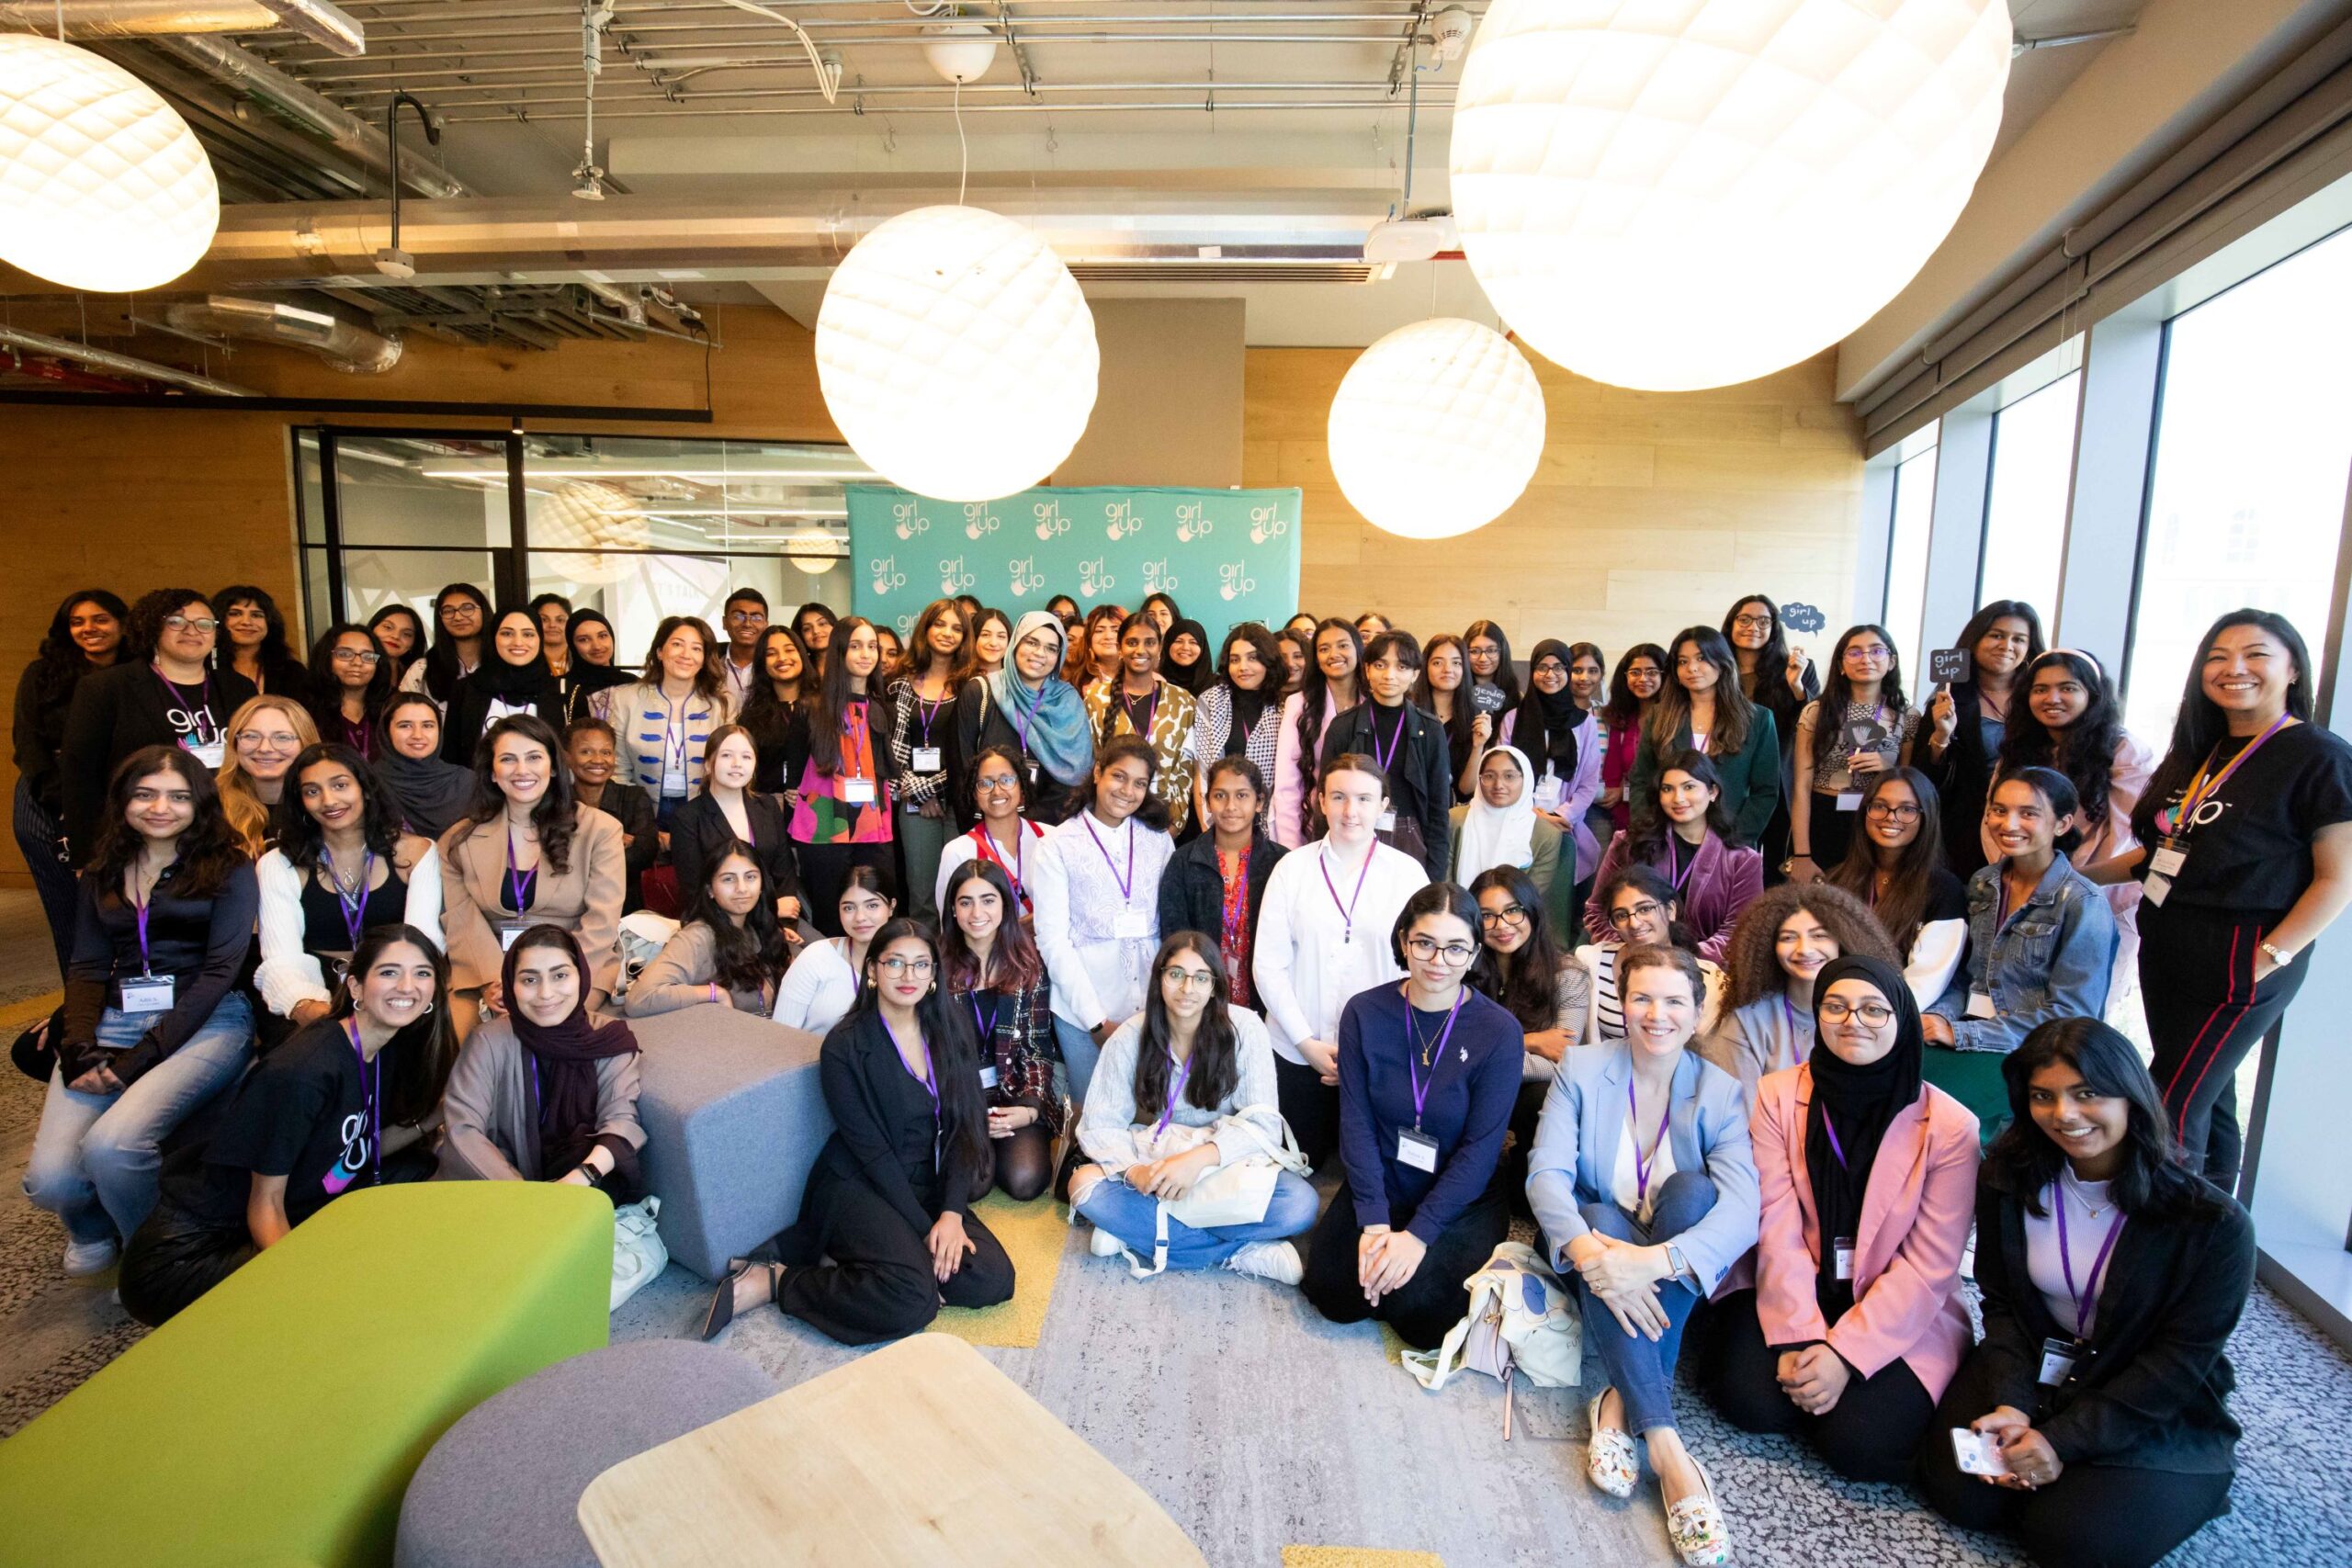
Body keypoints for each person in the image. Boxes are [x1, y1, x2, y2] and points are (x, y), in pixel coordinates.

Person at [1917, 1020, 2256, 1568]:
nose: (2064, 1115)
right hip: (2037, 1362)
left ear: (2131, 1095)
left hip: (2145, 1391)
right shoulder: (2009, 1177)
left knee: (2072, 1542)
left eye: (2087, 1093)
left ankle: (2198, 1486)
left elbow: (2177, 1362)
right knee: (1961, 1496)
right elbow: (2002, 1306)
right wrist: (2013, 1402)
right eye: (2043, 1097)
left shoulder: (2212, 1223)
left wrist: (2062, 1442)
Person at [2092, 609, 2352, 1186]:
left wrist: (2273, 956)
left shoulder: (2318, 755)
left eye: (2256, 654)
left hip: (2247, 949)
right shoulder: (2201, 751)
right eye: (2217, 656)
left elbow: (2338, 877)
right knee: (2211, 1099)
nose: (2234, 667)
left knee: (2169, 1102)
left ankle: (2159, 1246)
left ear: (2292, 671)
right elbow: (2163, 850)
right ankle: (2219, 1242)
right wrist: (2077, 879)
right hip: (2169, 941)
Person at [1700, 954, 1980, 1485]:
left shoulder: (1950, 1128)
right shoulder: (1779, 1094)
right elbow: (1775, 1223)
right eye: (1837, 1006)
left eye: (1874, 1010)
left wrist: (1844, 1355)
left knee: (1861, 1448)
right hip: (1797, 1282)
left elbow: (1930, 1266)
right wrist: (1795, 1335)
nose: (1853, 1021)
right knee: (1748, 1403)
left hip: (1895, 1302)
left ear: (1901, 1020)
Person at [1526, 942, 1757, 1568]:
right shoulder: (1583, 1066)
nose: (1658, 1013)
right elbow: (1546, 1174)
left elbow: (1743, 1209)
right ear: (1622, 1004)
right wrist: (1591, 1254)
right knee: (1596, 1215)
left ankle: (1622, 1407)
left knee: (1695, 1192)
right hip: (1600, 1244)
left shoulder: (1720, 1091)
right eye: (1642, 997)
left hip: (1667, 1258)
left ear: (1699, 1010)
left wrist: (1649, 1266)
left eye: (1675, 999)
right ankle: (1669, 1445)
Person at [118, 926, 452, 1325]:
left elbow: (352, 1152)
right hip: (191, 1253)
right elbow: (265, 1205)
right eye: (389, 972)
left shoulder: (384, 1047)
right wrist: (301, 1296)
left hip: (287, 1201)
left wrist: (438, 1114)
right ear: (357, 987)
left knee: (419, 1172)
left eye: (422, 973)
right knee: (344, 1275)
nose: (407, 986)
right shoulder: (304, 1071)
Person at [704, 918, 1013, 1344]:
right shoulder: (845, 1046)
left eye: (922, 965)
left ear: (935, 974)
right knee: (913, 1300)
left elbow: (964, 1127)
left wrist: (951, 1214)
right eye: (896, 964)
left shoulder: (950, 1026)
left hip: (927, 1181)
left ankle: (873, 1263)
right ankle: (781, 1281)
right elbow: (872, 1154)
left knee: (992, 1279)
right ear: (872, 970)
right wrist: (926, 1232)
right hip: (861, 1183)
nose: (910, 977)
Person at [28, 748, 259, 1274]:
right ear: (123, 800)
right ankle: (94, 1226)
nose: (161, 807)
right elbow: (87, 965)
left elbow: (221, 972)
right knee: (51, 1180)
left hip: (208, 1018)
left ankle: (153, 1258)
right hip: (114, 1017)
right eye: (145, 794)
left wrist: (138, 1059)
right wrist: (79, 1045)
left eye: (178, 797)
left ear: (199, 804)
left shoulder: (230, 867)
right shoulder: (102, 870)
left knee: (114, 1146)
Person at [1300, 883, 1521, 1348]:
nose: (1439, 961)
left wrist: (1417, 1237)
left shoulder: (1499, 1032)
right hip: (1385, 1176)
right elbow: (1356, 1122)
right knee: (1333, 1294)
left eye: (1456, 948)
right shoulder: (1365, 1012)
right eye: (1425, 943)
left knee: (1422, 1318)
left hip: (1462, 1194)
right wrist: (1377, 1224)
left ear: (1475, 952)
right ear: (1403, 941)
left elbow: (1481, 1151)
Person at [1073, 933, 1317, 1278]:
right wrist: (1135, 1172)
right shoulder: (1129, 1036)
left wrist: (1198, 1160)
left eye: (1201, 977)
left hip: (1224, 1165)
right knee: (1083, 1186)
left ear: (1216, 986)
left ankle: (1140, 1233)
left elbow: (1265, 1125)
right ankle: (1242, 1251)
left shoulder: (1246, 1029)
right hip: (1156, 1163)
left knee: (1300, 1206)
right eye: (1176, 974)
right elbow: (1100, 1125)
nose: (1188, 988)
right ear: (1159, 978)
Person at [1251, 754, 1429, 1168]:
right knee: (1294, 1165)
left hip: (1379, 1055)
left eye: (1365, 798)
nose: (1351, 811)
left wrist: (1369, 1051)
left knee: (1369, 1171)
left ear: (1384, 805)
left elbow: (1420, 972)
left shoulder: (1408, 875)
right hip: (1297, 1050)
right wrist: (1306, 1043)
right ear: (1321, 801)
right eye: (1339, 797)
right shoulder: (1291, 869)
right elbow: (1268, 965)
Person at [1925, 770, 2116, 1131]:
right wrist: (1939, 1018)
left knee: (1949, 1123)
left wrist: (1964, 1035)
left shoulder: (2082, 901)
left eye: (2028, 813)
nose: (2008, 823)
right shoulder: (1983, 882)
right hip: (1967, 1030)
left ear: (2062, 824)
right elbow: (1964, 976)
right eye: (1999, 810)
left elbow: (2071, 1014)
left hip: (2034, 1052)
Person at [437, 715, 627, 1041]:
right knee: (456, 1042)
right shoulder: (459, 840)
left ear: (553, 767)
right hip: (489, 966)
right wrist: (496, 980)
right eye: (508, 759)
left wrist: (548, 980)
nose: (522, 770)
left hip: (577, 963)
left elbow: (602, 920)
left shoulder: (600, 830)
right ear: (493, 773)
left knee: (551, 1033)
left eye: (534, 757)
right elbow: (461, 919)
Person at [1996, 649, 2155, 1011]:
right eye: (2041, 689)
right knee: (2021, 1005)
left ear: (2092, 695)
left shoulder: (2124, 749)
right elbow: (1996, 818)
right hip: (2024, 896)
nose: (2052, 698)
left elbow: (2130, 835)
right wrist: (2016, 877)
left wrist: (2064, 882)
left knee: (2082, 1014)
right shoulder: (2020, 748)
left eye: (2067, 688)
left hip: (2100, 897)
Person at [254, 744, 443, 1046]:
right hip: (311, 988)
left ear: (365, 789)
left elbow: (424, 942)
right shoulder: (278, 864)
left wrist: (382, 1003)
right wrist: (311, 1010)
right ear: (300, 802)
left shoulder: (417, 853)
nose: (329, 801)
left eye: (340, 785)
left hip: (397, 984)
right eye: (312, 791)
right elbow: (282, 959)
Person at [441, 925, 645, 1200]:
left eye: (560, 975)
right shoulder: (488, 1041)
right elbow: (462, 1129)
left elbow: (621, 1122)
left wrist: (580, 1179)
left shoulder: (609, 1039)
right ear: (510, 985)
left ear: (581, 975)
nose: (546, 994)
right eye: (529, 980)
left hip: (578, 1190)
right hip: (495, 1192)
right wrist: (529, 1198)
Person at [60, 588, 257, 863]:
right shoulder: (106, 688)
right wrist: (88, 858)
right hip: (139, 838)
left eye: (204, 624)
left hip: (224, 832)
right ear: (152, 628)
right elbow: (80, 776)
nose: (192, 631)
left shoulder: (238, 688)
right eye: (176, 622)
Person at [1033, 735, 1177, 1105]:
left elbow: (1172, 927)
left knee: (1153, 1117)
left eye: (1140, 783)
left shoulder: (1158, 841)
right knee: (1095, 1119)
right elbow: (1053, 941)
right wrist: (1096, 1021)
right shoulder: (1058, 844)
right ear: (1097, 773)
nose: (1127, 791)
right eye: (1119, 776)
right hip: (1084, 1013)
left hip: (1152, 1010)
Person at [12, 587, 126, 972]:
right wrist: (64, 804)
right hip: (47, 797)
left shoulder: (141, 674)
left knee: (124, 901)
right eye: (77, 622)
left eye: (100, 619)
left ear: (123, 625)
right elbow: (27, 743)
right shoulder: (42, 674)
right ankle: (78, 997)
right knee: (67, 906)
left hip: (122, 795)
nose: (88, 629)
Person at [1699, 882, 1894, 1096]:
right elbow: (1736, 1114)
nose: (1805, 950)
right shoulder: (1748, 1021)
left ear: (1844, 940)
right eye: (1789, 937)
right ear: (1769, 947)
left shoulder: (1874, 1014)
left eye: (1819, 935)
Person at [1467, 865, 1590, 1197]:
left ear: (1531, 910)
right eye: (1487, 916)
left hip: (1524, 1092)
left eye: (1512, 911)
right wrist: (1530, 1041)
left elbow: (1560, 1064)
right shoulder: (1461, 971)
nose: (1502, 926)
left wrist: (1481, 1058)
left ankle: (1529, 1171)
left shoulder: (1568, 974)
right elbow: (1450, 1051)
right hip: (1469, 1090)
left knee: (1547, 1091)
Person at [940, 859, 1059, 1200]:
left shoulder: (1028, 966)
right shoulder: (936, 968)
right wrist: (965, 1112)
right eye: (966, 902)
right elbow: (929, 1052)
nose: (977, 912)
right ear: (953, 909)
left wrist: (1029, 1108)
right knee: (973, 1185)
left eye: (988, 900)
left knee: (1025, 1181)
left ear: (1005, 905)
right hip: (960, 1098)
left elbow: (1039, 1047)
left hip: (1013, 1091)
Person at [1583, 751, 1763, 964]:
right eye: (1668, 789)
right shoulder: (1628, 843)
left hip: (1705, 971)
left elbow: (1739, 932)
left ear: (1713, 792)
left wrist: (1677, 961)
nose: (1678, 798)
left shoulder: (1742, 860)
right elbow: (1596, 911)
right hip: (1633, 965)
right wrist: (1629, 951)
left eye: (1689, 787)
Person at [1825, 767, 1969, 1008]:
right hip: (1834, 1007)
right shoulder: (1836, 879)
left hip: (1896, 1015)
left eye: (1907, 809)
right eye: (1880, 805)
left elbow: (1924, 983)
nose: (1891, 817)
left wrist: (1875, 1014)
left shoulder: (1944, 889)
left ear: (1927, 817)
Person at [1922, 602, 2044, 878]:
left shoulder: (2041, 700)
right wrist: (1941, 737)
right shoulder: (1948, 700)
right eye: (1997, 635)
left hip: (2030, 830)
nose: (2007, 645)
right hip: (1964, 834)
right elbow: (1926, 778)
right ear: (1975, 640)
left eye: (2019, 639)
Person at [789, 615, 895, 931]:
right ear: (839, 651)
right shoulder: (810, 707)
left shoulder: (882, 707)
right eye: (856, 646)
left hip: (872, 824)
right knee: (831, 915)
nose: (866, 654)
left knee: (875, 916)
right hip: (823, 828)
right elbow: (794, 774)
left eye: (872, 646)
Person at [1789, 624, 1919, 879]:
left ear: (1891, 662)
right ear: (1841, 664)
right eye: (1855, 652)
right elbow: (1801, 787)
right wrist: (1802, 855)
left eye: (1876, 651)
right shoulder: (1816, 712)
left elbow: (1912, 785)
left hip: (1882, 817)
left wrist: (1889, 769)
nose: (1866, 659)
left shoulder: (1908, 715)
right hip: (1825, 817)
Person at [1632, 626, 1781, 850]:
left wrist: (1732, 840)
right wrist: (1651, 832)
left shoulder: (1757, 719)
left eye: (1701, 658)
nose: (1691, 668)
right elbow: (1641, 780)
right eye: (1682, 662)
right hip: (1666, 840)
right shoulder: (1660, 715)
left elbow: (1765, 792)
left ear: (1722, 662)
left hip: (1729, 842)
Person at [1319, 630, 1451, 878]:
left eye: (1401, 666)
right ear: (1367, 670)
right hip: (1352, 830)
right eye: (1380, 665)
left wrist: (1434, 875)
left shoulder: (1430, 729)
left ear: (1415, 674)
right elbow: (1325, 796)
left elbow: (1438, 809)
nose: (1389, 675)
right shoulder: (1343, 726)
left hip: (1409, 837)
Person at [1158, 755, 1284, 1009]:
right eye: (1220, 796)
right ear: (1207, 801)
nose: (1230, 806)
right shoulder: (1184, 861)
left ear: (1259, 802)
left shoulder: (1281, 862)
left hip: (1266, 997)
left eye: (1242, 796)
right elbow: (1174, 934)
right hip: (1199, 996)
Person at [955, 611, 1093, 829]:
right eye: (1032, 642)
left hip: (1050, 831)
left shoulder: (1067, 701)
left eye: (1051, 648)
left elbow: (1076, 776)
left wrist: (1028, 827)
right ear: (1016, 644)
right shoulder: (980, 691)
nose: (1040, 653)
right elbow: (963, 770)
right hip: (988, 829)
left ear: (1060, 655)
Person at [628, 844, 798, 1017]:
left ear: (762, 885)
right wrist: (714, 993)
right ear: (710, 890)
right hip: (726, 1039)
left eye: (750, 877)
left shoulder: (758, 928)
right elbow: (640, 998)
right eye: (728, 879)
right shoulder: (698, 936)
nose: (742, 888)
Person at [880, 598, 967, 921]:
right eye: (940, 624)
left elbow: (969, 750)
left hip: (956, 797)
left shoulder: (971, 686)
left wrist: (935, 790)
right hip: (913, 800)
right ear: (925, 629)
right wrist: (918, 790)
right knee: (921, 895)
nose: (947, 633)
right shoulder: (898, 685)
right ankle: (925, 967)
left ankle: (960, 968)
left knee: (959, 892)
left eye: (957, 628)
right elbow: (888, 749)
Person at [606, 615, 732, 834]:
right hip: (642, 810)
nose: (686, 655)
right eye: (677, 644)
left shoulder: (722, 704)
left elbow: (728, 768)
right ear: (659, 652)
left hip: (703, 809)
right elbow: (618, 768)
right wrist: (632, 817)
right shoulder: (625, 698)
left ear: (704, 658)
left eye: (696, 648)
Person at [669, 725, 802, 929]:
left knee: (817, 954)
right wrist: (771, 908)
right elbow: (695, 891)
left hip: (776, 923)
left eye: (746, 757)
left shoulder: (767, 806)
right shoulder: (687, 817)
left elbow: (785, 874)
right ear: (707, 765)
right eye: (726, 755)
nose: (737, 764)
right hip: (718, 925)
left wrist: (783, 923)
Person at [1724, 594, 1821, 874]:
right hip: (1728, 775)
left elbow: (1815, 720)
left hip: (1777, 777)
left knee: (1776, 865)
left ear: (1774, 629)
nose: (1753, 627)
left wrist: (1797, 686)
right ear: (1731, 624)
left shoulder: (1798, 669)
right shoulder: (1716, 670)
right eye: (1745, 619)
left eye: (1763, 621)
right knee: (1731, 858)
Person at [1577, 864, 1725, 1043]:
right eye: (1622, 915)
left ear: (1671, 910)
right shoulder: (1593, 963)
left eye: (1645, 909)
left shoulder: (1710, 979)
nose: (1634, 923)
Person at [1083, 612, 1200, 838]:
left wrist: (1173, 826)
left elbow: (1185, 769)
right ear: (1120, 648)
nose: (1140, 650)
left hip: (1164, 823)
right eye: (1132, 642)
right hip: (1109, 821)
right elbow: (1091, 761)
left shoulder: (1183, 701)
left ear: (1159, 648)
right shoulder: (1096, 698)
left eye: (1149, 642)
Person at [1499, 638, 1605, 878]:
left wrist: (1558, 816)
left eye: (1559, 667)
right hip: (1516, 822)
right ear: (1533, 671)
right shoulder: (1514, 718)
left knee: (1555, 905)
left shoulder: (1584, 722)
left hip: (1563, 828)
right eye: (1542, 667)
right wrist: (1533, 815)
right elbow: (1502, 775)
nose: (1551, 674)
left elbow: (1588, 784)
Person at [1451, 745, 1569, 929]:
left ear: (1526, 779)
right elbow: (1444, 883)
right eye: (1489, 776)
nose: (1499, 785)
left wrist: (1492, 921)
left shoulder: (1545, 834)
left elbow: (1531, 895)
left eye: (1509, 776)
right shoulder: (1454, 820)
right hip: (1457, 920)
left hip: (1514, 926)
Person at [1271, 618, 1364, 848]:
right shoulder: (1299, 704)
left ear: (1357, 649)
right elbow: (1287, 784)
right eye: (1324, 649)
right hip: (1312, 824)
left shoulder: (1373, 702)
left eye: (1343, 645)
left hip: (1365, 823)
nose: (1334, 654)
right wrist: (1290, 848)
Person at [772, 866, 896, 1036]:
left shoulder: (907, 962)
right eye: (849, 908)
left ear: (891, 906)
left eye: (872, 905)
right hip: (814, 1061)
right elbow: (780, 1036)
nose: (860, 917)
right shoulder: (815, 959)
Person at [934, 744, 1049, 919]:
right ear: (974, 793)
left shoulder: (1052, 838)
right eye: (985, 783)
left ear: (1022, 786)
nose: (996, 791)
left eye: (1007, 780)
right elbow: (951, 927)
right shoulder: (957, 852)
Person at [438, 607, 562, 766]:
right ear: (493, 638)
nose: (518, 642)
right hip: (476, 788)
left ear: (540, 639)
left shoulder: (561, 691)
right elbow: (451, 755)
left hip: (543, 790)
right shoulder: (466, 689)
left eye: (528, 634)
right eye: (507, 633)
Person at [1191, 623, 1284, 830]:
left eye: (1252, 658)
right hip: (1221, 817)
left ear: (1268, 661)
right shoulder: (1211, 702)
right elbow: (1203, 773)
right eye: (1235, 660)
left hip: (1274, 822)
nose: (1243, 667)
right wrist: (1209, 829)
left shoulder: (1285, 706)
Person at [563, 718, 657, 912]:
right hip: (565, 907)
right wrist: (611, 842)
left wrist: (580, 846)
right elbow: (553, 857)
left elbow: (644, 854)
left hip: (623, 909)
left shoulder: (634, 797)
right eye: (586, 752)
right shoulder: (556, 802)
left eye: (606, 752)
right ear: (567, 758)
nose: (598, 760)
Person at [214, 694, 321, 858]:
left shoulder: (325, 806)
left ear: (306, 743)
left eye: (282, 738)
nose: (265, 748)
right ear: (234, 743)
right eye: (251, 736)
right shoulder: (210, 809)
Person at [374, 694, 474, 842]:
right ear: (387, 731)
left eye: (428, 725)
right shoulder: (370, 783)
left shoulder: (467, 782)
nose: (418, 735)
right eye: (405, 725)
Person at [1598, 643, 1668, 838]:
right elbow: (1612, 775)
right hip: (1624, 818)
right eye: (1635, 672)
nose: (1643, 679)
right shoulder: (1620, 718)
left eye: (1652, 672)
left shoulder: (1675, 719)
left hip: (1667, 814)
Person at [737, 624, 811, 795]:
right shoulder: (751, 717)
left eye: (789, 650)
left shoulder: (825, 707)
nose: (782, 658)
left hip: (818, 809)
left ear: (802, 654)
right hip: (769, 809)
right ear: (762, 663)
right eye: (771, 653)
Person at [1414, 632, 1487, 804]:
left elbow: (1465, 790)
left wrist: (1478, 746)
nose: (1448, 670)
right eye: (1438, 663)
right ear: (1425, 667)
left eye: (1456, 663)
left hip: (1451, 811)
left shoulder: (1474, 718)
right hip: (1412, 809)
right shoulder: (1410, 711)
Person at [305, 623, 394, 762]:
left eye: (368, 656)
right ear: (326, 658)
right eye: (345, 654)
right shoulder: (307, 712)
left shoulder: (391, 709)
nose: (357, 662)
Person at [213, 584, 311, 706]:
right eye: (235, 613)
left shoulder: (291, 672)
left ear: (270, 623)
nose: (246, 622)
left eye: (256, 615)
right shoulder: (205, 668)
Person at [401, 582, 492, 707]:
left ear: (483, 611)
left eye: (467, 608)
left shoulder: (501, 664)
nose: (458, 617)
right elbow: (403, 714)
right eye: (448, 611)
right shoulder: (422, 669)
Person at [560, 608, 637, 726]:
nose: (597, 646)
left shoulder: (633, 683)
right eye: (584, 640)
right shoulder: (563, 687)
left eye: (602, 636)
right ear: (572, 646)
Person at [717, 587, 770, 705]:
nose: (747, 624)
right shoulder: (710, 664)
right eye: (738, 616)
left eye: (756, 618)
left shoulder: (774, 666)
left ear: (766, 625)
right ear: (724, 622)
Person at [1464, 619, 1520, 716]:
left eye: (1491, 650)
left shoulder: (1517, 696)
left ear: (1502, 653)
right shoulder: (1455, 694)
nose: (1483, 659)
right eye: (1474, 651)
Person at [367, 604, 427, 688]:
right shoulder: (358, 667)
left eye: (406, 634)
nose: (396, 636)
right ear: (372, 628)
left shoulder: (417, 674)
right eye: (388, 627)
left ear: (414, 643)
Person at [1070, 604, 1125, 690]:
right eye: (1099, 631)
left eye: (1116, 630)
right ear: (1089, 640)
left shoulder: (1144, 678)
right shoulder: (1076, 681)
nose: (1108, 636)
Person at [1160, 617, 1213, 696]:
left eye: (1193, 642)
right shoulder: (1155, 682)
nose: (1185, 647)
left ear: (1202, 647)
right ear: (1168, 645)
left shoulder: (1215, 687)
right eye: (1178, 641)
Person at [529, 593, 572, 682]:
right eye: (544, 620)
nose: (552, 625)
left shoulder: (582, 657)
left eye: (560, 620)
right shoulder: (525, 660)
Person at [792, 601, 838, 670]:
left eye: (822, 624)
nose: (816, 631)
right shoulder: (799, 670)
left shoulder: (850, 664)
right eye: (807, 629)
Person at [968, 606, 1012, 678]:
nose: (993, 643)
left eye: (1001, 636)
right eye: (985, 635)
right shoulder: (958, 681)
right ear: (973, 638)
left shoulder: (1016, 682)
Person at [1274, 626, 1312, 693]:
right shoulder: (1260, 697)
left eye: (1298, 656)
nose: (1290, 664)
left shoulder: (1321, 695)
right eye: (1282, 657)